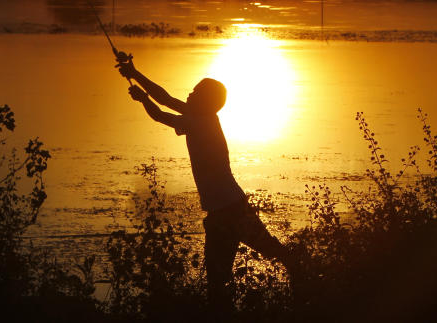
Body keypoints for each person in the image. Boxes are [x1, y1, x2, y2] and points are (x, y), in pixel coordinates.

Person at [117, 58, 300, 308]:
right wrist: (135, 74)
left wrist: (142, 98)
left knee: (266, 255)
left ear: (205, 101)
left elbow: (160, 112)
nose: (190, 93)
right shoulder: (203, 117)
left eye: (196, 91)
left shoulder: (200, 121)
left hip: (231, 210)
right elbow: (166, 99)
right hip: (220, 211)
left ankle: (303, 277)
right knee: (219, 276)